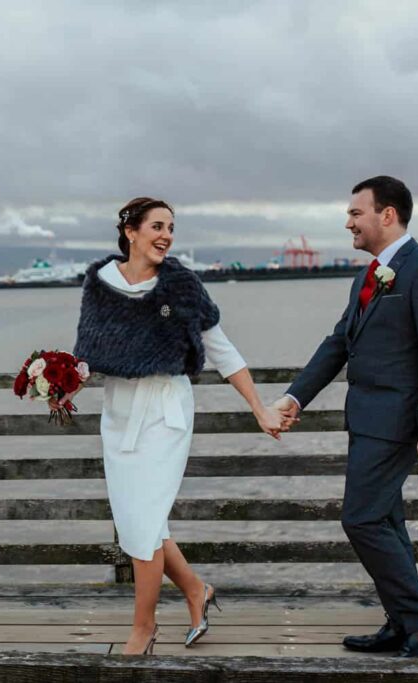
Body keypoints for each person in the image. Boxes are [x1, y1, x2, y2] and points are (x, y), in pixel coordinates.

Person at [69, 197, 287, 655]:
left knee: (145, 522)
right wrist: (59, 382)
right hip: (120, 414)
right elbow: (88, 354)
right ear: (130, 231)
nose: (166, 235)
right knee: (137, 523)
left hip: (166, 412)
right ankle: (196, 590)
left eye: (171, 227)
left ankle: (143, 630)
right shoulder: (100, 284)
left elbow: (223, 351)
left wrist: (259, 408)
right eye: (157, 226)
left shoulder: (182, 287)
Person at [273, 176, 418, 658]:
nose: (348, 222)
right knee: (385, 520)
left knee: (360, 519)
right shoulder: (370, 274)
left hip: (397, 421)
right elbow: (339, 342)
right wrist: (296, 397)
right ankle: (401, 622)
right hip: (365, 420)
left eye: (356, 213)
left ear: (388, 215)